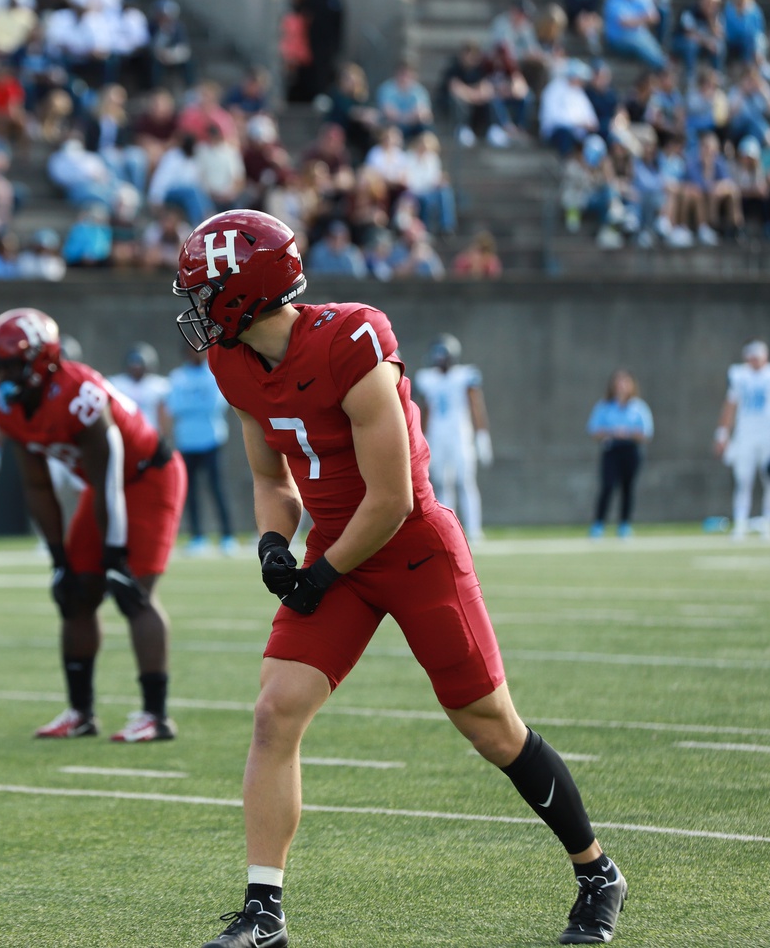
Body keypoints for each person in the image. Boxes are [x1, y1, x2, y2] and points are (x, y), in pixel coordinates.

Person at [172, 209, 625, 948]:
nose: (194, 309)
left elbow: (393, 500)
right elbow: (272, 479)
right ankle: (264, 912)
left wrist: (322, 572)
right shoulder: (232, 363)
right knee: (274, 711)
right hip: (335, 555)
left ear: (243, 292)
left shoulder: (353, 339)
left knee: (490, 727)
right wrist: (271, 544)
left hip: (412, 549)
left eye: (203, 291)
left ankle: (596, 870)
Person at [0, 308, 186, 742]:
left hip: (146, 477)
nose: (2, 376)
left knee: (132, 593)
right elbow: (37, 485)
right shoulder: (6, 403)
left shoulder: (80, 393)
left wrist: (115, 555)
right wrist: (58, 559)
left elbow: (110, 475)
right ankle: (81, 713)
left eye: (11, 364)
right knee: (75, 594)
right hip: (102, 486)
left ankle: (156, 715)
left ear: (42, 360)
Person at [411, 335, 493, 541]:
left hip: (460, 435)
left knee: (465, 481)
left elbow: (476, 405)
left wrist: (482, 435)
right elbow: (424, 411)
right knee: (441, 482)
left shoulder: (464, 375)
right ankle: (449, 529)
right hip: (436, 437)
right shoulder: (426, 378)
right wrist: (420, 439)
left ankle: (474, 530)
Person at [714, 340, 770, 541]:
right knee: (742, 479)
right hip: (745, 434)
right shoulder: (740, 376)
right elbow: (730, 406)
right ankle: (740, 522)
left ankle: (768, 522)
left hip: (769, 435)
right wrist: (722, 434)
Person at [167, 345, 238, 558]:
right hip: (187, 442)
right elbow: (174, 406)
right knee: (190, 493)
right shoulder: (177, 376)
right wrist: (196, 404)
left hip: (211, 440)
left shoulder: (213, 373)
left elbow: (215, 404)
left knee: (217, 489)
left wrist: (191, 405)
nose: (194, 354)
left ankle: (227, 536)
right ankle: (197, 537)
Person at [587, 369, 654, 538]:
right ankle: (598, 525)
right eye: (618, 382)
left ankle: (624, 525)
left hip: (630, 450)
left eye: (625, 382)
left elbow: (646, 433)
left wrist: (629, 433)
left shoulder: (639, 407)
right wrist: (613, 432)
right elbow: (594, 430)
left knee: (628, 488)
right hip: (611, 449)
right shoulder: (604, 406)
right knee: (608, 486)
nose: (621, 386)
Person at [107, 342, 172, 434]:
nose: (136, 366)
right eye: (133, 362)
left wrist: (163, 434)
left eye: (139, 362)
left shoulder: (159, 386)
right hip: (125, 433)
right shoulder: (117, 383)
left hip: (150, 434)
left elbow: (164, 414)